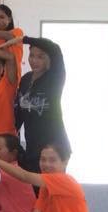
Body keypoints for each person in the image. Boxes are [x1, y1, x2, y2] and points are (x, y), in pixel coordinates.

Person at [13, 35, 69, 173]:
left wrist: (24, 39)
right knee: (35, 184)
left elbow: (54, 49)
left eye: (40, 57)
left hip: (54, 145)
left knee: (52, 184)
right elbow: (21, 110)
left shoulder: (55, 77)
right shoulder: (26, 79)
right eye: (32, 55)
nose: (34, 60)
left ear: (49, 58)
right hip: (32, 144)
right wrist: (13, 132)